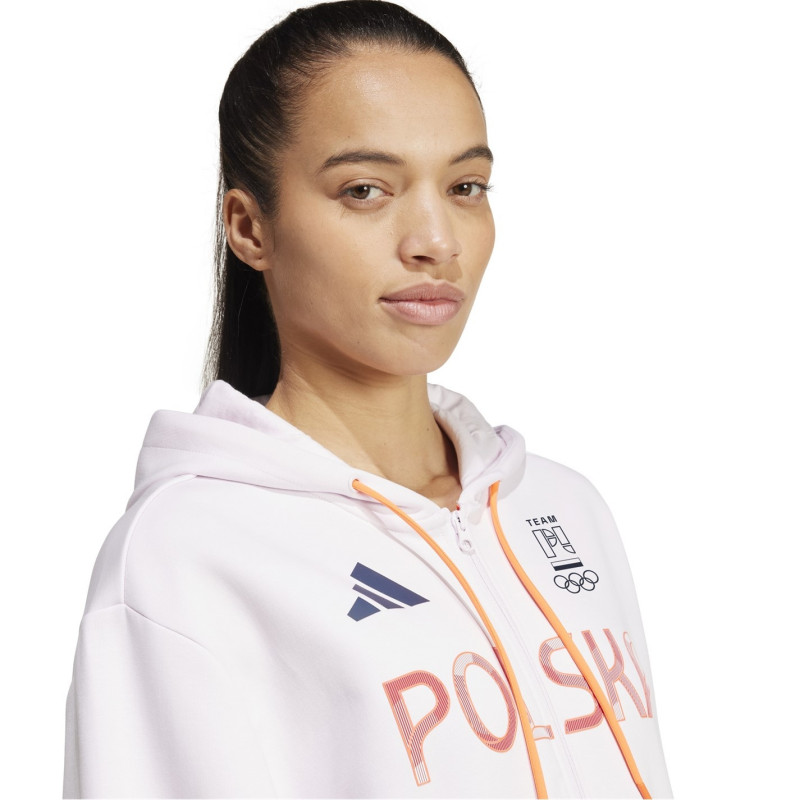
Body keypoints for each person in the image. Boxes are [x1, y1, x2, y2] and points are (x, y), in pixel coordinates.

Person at [63, 1, 671, 797]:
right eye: (365, 190)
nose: (436, 241)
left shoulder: (563, 506)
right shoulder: (187, 557)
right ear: (249, 228)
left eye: (465, 186)